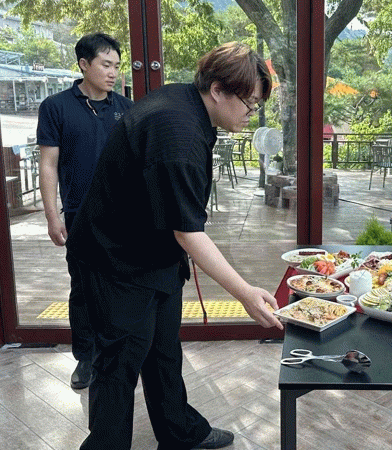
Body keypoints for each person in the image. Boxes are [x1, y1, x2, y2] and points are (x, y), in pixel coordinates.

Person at [66, 42, 283, 449]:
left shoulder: (185, 99)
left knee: (164, 350)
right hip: (114, 259)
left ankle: (180, 432)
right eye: (250, 103)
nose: (251, 114)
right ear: (217, 89)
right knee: (119, 364)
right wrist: (245, 293)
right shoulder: (177, 133)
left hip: (154, 252)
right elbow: (188, 232)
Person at [37, 33, 134, 389]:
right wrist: (52, 216)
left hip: (123, 216)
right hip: (79, 214)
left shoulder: (127, 108)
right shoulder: (56, 107)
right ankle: (86, 357)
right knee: (83, 288)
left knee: (123, 285)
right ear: (83, 64)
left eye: (117, 66)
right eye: (106, 65)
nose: (113, 73)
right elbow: (48, 164)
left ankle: (122, 352)